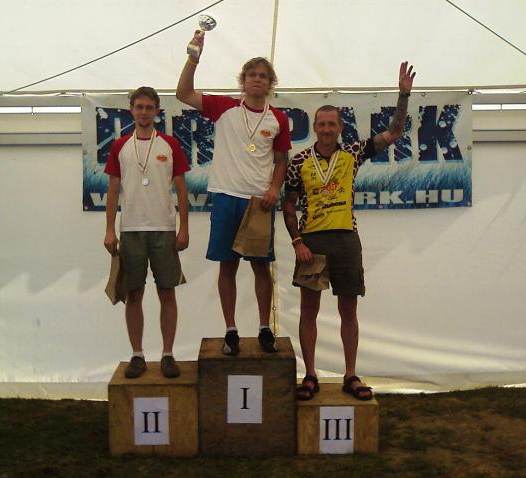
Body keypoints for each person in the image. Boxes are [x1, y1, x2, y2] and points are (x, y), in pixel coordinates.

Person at [283, 62, 416, 400]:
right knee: (309, 311)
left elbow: (394, 133)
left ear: (340, 127)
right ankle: (310, 375)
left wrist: (402, 96)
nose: (327, 129)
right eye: (322, 124)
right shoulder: (298, 161)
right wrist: (296, 241)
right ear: (314, 127)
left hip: (345, 238)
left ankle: (350, 374)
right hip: (311, 242)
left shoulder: (353, 153)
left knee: (348, 310)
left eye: (332, 124)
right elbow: (288, 205)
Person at [176, 31, 291, 356]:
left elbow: (282, 160)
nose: (257, 79)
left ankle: (264, 328)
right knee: (227, 266)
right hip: (227, 196)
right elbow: (183, 93)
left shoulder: (278, 119)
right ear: (243, 80)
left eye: (263, 75)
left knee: (261, 267)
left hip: (259, 202)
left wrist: (274, 188)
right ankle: (230, 330)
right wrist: (193, 58)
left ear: (270, 83)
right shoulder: (224, 107)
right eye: (251, 74)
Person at [104, 86, 190, 379]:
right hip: (131, 229)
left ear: (157, 111)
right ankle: (137, 354)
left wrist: (183, 228)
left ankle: (168, 354)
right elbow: (113, 189)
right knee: (134, 293)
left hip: (164, 228)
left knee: (167, 292)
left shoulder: (169, 144)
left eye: (149, 108)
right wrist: (109, 230)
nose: (144, 112)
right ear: (131, 109)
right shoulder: (120, 146)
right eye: (139, 107)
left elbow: (181, 189)